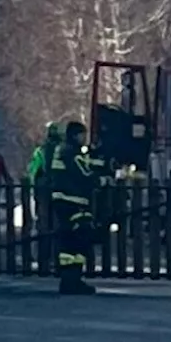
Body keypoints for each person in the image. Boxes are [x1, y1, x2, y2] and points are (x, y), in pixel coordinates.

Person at [50, 122, 105, 296]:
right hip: (73, 201)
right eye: (82, 135)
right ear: (75, 135)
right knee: (79, 238)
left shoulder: (64, 151)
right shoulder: (70, 153)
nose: (84, 138)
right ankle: (72, 279)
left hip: (64, 201)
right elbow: (84, 174)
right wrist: (100, 180)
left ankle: (70, 279)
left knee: (69, 240)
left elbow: (86, 164)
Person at [26, 122, 63, 187]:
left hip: (55, 173)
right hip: (46, 174)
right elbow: (36, 164)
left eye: (54, 129)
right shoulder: (43, 148)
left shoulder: (60, 145)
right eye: (51, 129)